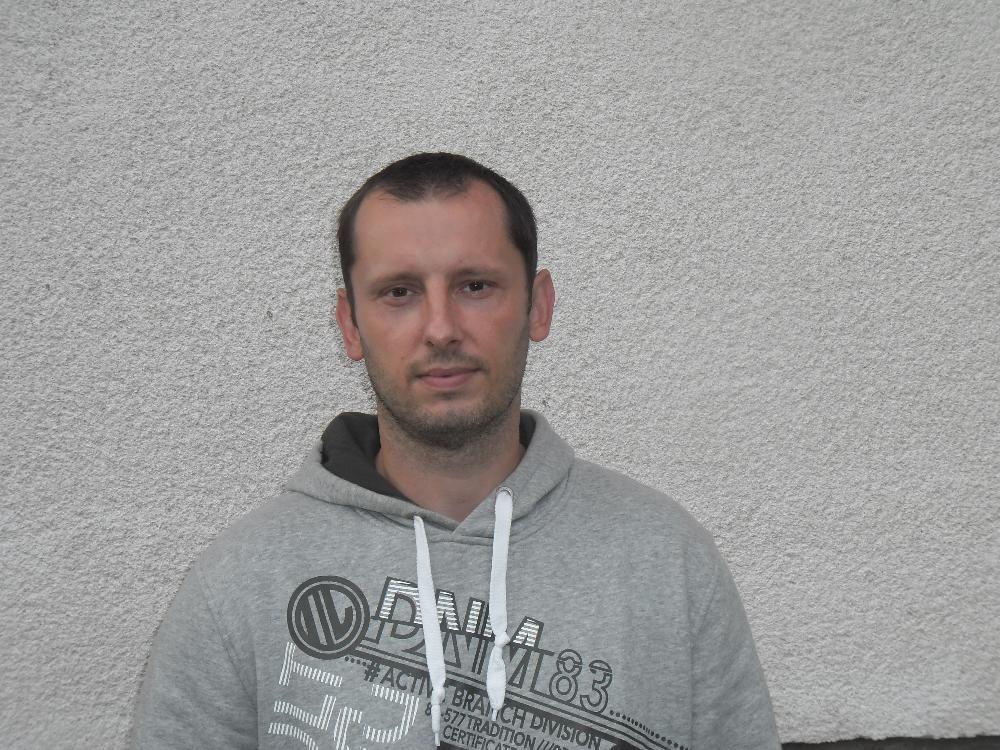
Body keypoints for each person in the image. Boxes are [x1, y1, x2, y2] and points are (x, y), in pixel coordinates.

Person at [132, 152, 780, 750]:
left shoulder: (670, 563)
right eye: (399, 292)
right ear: (350, 325)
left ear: (538, 307)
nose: (441, 329)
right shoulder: (240, 585)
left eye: (475, 286)